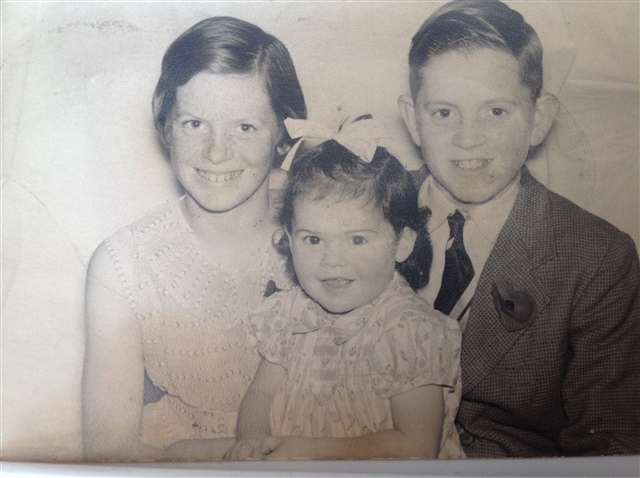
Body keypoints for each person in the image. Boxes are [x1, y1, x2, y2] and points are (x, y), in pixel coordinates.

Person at [397, 0, 640, 457]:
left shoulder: (597, 258)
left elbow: (613, 443)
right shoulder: (362, 207)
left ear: (539, 119)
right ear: (413, 119)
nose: (468, 138)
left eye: (495, 111)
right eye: (444, 112)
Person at [82, 16, 306, 461]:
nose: (216, 152)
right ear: (165, 124)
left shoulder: (331, 231)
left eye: (245, 127)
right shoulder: (123, 265)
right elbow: (110, 452)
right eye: (195, 124)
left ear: (284, 132)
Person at [224, 121, 464, 460]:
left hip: (376, 466)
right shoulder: (290, 312)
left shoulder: (409, 329)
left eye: (357, 240)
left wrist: (307, 452)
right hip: (286, 458)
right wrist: (252, 440)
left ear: (402, 243)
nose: (332, 260)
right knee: (180, 452)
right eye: (313, 239)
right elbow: (260, 395)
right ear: (290, 240)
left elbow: (417, 446)